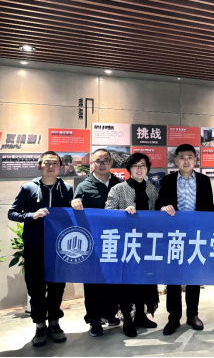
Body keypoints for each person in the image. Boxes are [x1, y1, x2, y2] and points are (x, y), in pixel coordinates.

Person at [8, 151, 74, 347]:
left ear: (60, 167)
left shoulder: (67, 189)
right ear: (40, 165)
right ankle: (39, 326)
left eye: (55, 163)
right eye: (47, 163)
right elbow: (12, 213)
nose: (51, 166)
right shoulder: (28, 188)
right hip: (35, 247)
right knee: (35, 288)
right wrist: (31, 215)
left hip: (58, 248)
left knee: (57, 287)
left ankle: (54, 323)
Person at [156, 144, 214, 335]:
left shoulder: (204, 180)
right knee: (173, 277)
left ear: (195, 160)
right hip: (174, 236)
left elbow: (209, 209)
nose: (186, 160)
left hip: (196, 236)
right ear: (176, 160)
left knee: (193, 277)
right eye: (182, 157)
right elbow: (159, 204)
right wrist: (164, 207)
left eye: (190, 157)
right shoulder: (168, 180)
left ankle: (192, 315)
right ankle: (174, 317)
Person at [105, 153, 159, 338]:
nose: (139, 169)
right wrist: (123, 212)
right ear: (129, 169)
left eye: (142, 165)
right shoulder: (118, 189)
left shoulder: (151, 189)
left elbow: (155, 213)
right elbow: (107, 212)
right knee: (127, 283)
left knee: (144, 281)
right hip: (125, 243)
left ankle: (141, 315)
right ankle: (127, 318)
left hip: (146, 243)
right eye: (135, 166)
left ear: (147, 168)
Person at [71, 149, 122, 337]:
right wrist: (74, 202)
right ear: (92, 163)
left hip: (115, 240)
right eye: (98, 161)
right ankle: (94, 319)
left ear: (111, 163)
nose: (102, 164)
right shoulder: (84, 186)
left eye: (105, 160)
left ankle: (110, 313)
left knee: (113, 279)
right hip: (93, 242)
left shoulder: (119, 184)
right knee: (93, 281)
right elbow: (75, 208)